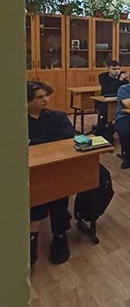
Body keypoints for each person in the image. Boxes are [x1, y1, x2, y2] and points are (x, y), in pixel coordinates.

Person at [27, 81, 76, 266]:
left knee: (57, 191)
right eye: (39, 97)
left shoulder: (58, 116)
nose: (46, 99)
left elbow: (67, 137)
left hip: (56, 167)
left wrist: (34, 143)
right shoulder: (16, 121)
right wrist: (49, 143)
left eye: (47, 95)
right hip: (30, 170)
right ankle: (33, 237)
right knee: (38, 192)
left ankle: (60, 235)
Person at [96, 60, 129, 139]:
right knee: (109, 115)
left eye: (118, 69)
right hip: (105, 102)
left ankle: (111, 131)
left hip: (119, 101)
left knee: (124, 113)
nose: (117, 71)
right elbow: (109, 90)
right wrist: (120, 80)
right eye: (114, 69)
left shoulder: (123, 75)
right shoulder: (103, 76)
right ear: (108, 69)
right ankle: (105, 133)